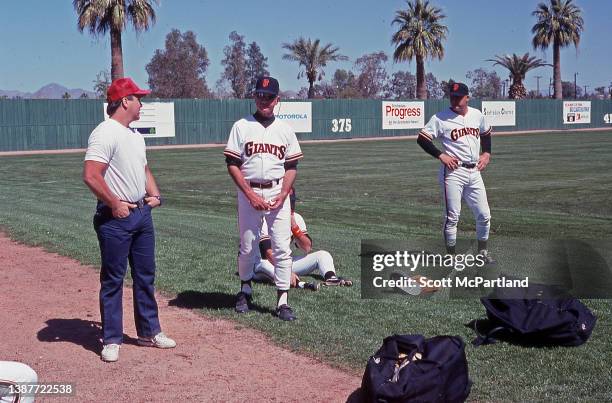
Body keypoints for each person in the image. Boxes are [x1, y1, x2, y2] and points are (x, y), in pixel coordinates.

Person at [83, 77, 176, 362]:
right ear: (125, 101)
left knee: (145, 275)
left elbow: (144, 169)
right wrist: (114, 204)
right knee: (113, 280)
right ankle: (111, 339)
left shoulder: (135, 135)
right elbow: (91, 175)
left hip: (141, 215)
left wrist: (155, 194)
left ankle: (149, 332)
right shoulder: (105, 133)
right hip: (115, 218)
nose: (141, 102)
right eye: (137, 97)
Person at [224, 76, 303, 321]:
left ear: (277, 100)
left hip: (277, 193)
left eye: (269, 97)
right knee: (248, 247)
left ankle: (282, 301)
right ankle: (245, 290)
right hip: (249, 193)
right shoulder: (241, 126)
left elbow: (292, 166)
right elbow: (232, 164)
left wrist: (283, 194)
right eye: (259, 95)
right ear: (254, 96)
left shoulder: (285, 130)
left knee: (281, 247)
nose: (264, 100)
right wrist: (249, 194)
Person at [417, 82, 494, 262]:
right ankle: (451, 256)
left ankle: (482, 252)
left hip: (474, 171)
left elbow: (486, 133)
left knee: (484, 215)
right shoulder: (440, 118)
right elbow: (422, 139)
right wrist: (440, 155)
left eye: (458, 97)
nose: (455, 100)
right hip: (453, 173)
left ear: (467, 97)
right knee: (452, 217)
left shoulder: (477, 115)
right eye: (452, 96)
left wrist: (487, 153)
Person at [253, 188, 353, 289]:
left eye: (292, 201)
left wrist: (294, 227)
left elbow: (307, 248)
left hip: (285, 261)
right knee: (264, 264)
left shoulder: (296, 218)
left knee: (323, 255)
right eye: (288, 201)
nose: (291, 205)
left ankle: (331, 278)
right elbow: (268, 253)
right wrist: (285, 270)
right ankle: (302, 285)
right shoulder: (265, 218)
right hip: (261, 263)